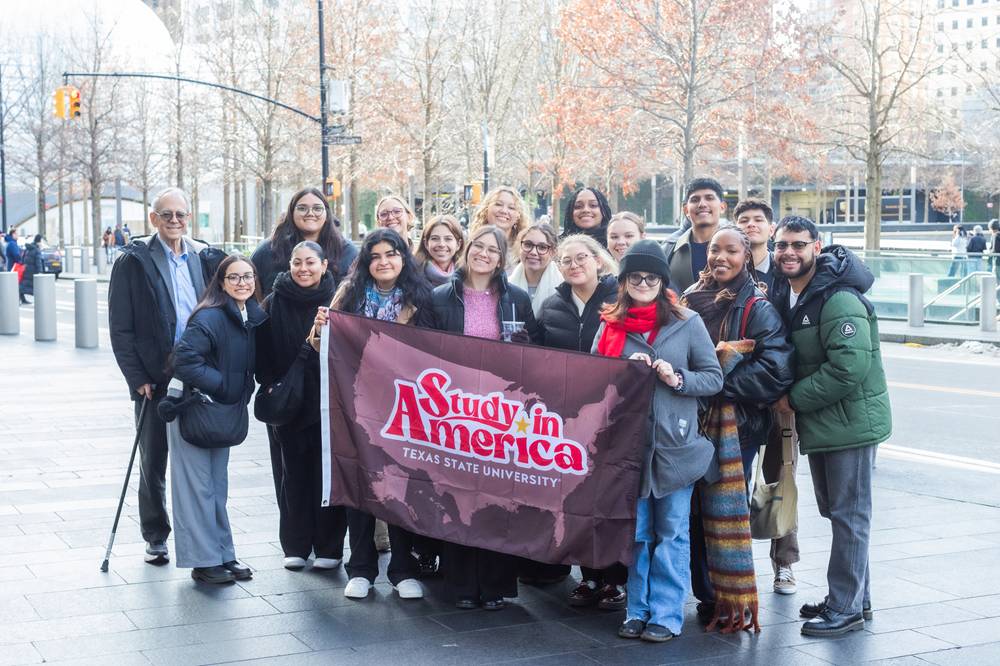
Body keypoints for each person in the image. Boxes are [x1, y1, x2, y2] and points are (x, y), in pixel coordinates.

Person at [593, 240, 723, 643]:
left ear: (662, 280)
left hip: (675, 448)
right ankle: (637, 610)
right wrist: (619, 370)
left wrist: (677, 378)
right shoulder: (609, 324)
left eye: (651, 277)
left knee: (672, 533)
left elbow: (713, 378)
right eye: (635, 277)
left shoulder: (687, 321)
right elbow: (591, 381)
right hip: (629, 447)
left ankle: (666, 614)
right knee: (638, 533)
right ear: (625, 282)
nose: (643, 283)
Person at [768, 216, 892, 637]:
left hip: (849, 425)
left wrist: (792, 399)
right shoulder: (797, 293)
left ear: (817, 247)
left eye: (798, 245)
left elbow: (848, 367)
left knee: (849, 516)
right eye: (781, 245)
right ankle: (856, 598)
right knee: (840, 514)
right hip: (827, 424)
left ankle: (846, 609)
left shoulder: (837, 298)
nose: (789, 252)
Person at [312, 228, 434, 600]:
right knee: (358, 482)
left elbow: (432, 350)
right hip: (355, 405)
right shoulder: (348, 294)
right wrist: (319, 330)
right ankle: (361, 568)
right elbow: (319, 345)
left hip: (403, 409)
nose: (384, 262)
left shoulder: (422, 298)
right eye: (376, 256)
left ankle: (402, 569)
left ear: (403, 257)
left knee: (400, 487)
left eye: (391, 254)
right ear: (366, 262)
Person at [680, 226, 797, 615]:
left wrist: (716, 385)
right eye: (715, 250)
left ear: (746, 255)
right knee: (696, 510)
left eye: (731, 251)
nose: (721, 258)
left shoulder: (758, 307)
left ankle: (728, 595)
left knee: (724, 509)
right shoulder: (691, 298)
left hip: (735, 429)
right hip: (689, 423)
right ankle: (707, 594)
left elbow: (776, 371)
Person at [109, 187, 224, 566]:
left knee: (200, 460)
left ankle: (205, 535)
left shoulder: (204, 256)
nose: (175, 221)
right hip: (155, 377)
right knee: (153, 458)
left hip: (198, 372)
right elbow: (120, 327)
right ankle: (156, 534)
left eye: (181, 214)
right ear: (153, 219)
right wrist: (135, 377)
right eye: (167, 215)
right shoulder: (134, 261)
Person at [429, 225, 541, 610]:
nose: (484, 254)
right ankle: (460, 583)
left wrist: (526, 348)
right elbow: (424, 352)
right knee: (457, 495)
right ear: (466, 249)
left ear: (501, 257)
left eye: (492, 249)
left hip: (501, 415)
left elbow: (538, 353)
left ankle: (494, 585)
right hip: (455, 412)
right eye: (478, 246)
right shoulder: (440, 297)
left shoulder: (517, 299)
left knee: (497, 497)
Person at [536, 234, 624, 608]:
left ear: (598, 260)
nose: (573, 265)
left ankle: (615, 579)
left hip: (614, 415)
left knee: (610, 498)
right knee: (576, 498)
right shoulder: (553, 305)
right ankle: (589, 577)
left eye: (581, 258)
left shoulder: (619, 299)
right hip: (569, 420)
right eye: (566, 260)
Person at [169, 254, 265, 584]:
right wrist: (223, 385)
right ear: (221, 283)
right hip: (194, 411)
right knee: (197, 488)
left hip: (220, 413)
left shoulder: (249, 316)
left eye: (248, 276)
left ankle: (223, 553)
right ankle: (203, 560)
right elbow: (184, 360)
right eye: (235, 277)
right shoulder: (209, 317)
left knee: (216, 487)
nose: (243, 283)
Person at [255, 241, 347, 571]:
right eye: (297, 262)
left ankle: (329, 547)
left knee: (328, 478)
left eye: (310, 262)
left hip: (330, 404)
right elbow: (261, 352)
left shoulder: (340, 301)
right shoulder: (273, 301)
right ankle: (294, 544)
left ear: (325, 265)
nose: (303, 268)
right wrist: (271, 384)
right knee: (292, 477)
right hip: (289, 404)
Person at [251, 187, 357, 297]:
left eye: (317, 208)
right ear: (291, 213)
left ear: (327, 215)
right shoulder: (267, 251)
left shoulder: (347, 252)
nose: (310, 213)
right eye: (302, 208)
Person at [663, 177, 727, 293]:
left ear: (722, 207)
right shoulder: (669, 249)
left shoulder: (738, 247)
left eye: (709, 198)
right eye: (695, 199)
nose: (702, 204)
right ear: (686, 210)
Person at [508, 222, 561, 316]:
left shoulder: (563, 289)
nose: (533, 252)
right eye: (528, 245)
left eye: (542, 247)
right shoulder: (506, 286)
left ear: (553, 252)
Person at [469, 186, 531, 264]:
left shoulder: (525, 252)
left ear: (518, 216)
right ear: (486, 209)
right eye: (498, 204)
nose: (504, 211)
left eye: (511, 208)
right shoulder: (470, 244)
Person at [733, 198, 777, 292]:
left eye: (758, 220)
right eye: (744, 221)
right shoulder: (726, 268)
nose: (751, 224)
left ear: (771, 229)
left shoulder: (784, 269)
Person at [414, 214, 464, 287]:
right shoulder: (413, 275)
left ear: (458, 244)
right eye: (435, 238)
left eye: (448, 239)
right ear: (426, 243)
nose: (442, 244)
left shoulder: (468, 276)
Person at [18, 234, 44, 305]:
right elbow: (38, 262)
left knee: (23, 286)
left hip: (26, 270)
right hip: (33, 272)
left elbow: (22, 259)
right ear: (39, 241)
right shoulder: (36, 250)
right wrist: (40, 272)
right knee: (36, 288)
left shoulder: (28, 248)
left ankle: (22, 299)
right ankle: (41, 303)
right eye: (41, 241)